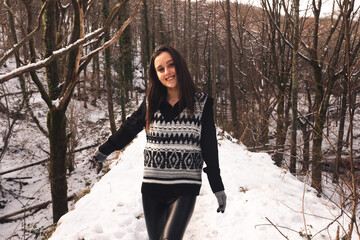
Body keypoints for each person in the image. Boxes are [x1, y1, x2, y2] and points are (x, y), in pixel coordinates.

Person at [91, 45, 226, 240]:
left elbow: (209, 148)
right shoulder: (150, 102)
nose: (167, 72)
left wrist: (217, 185)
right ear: (156, 75)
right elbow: (129, 128)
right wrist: (105, 150)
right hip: (152, 187)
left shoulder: (202, 103)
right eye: (160, 69)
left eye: (171, 65)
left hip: (185, 186)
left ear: (180, 66)